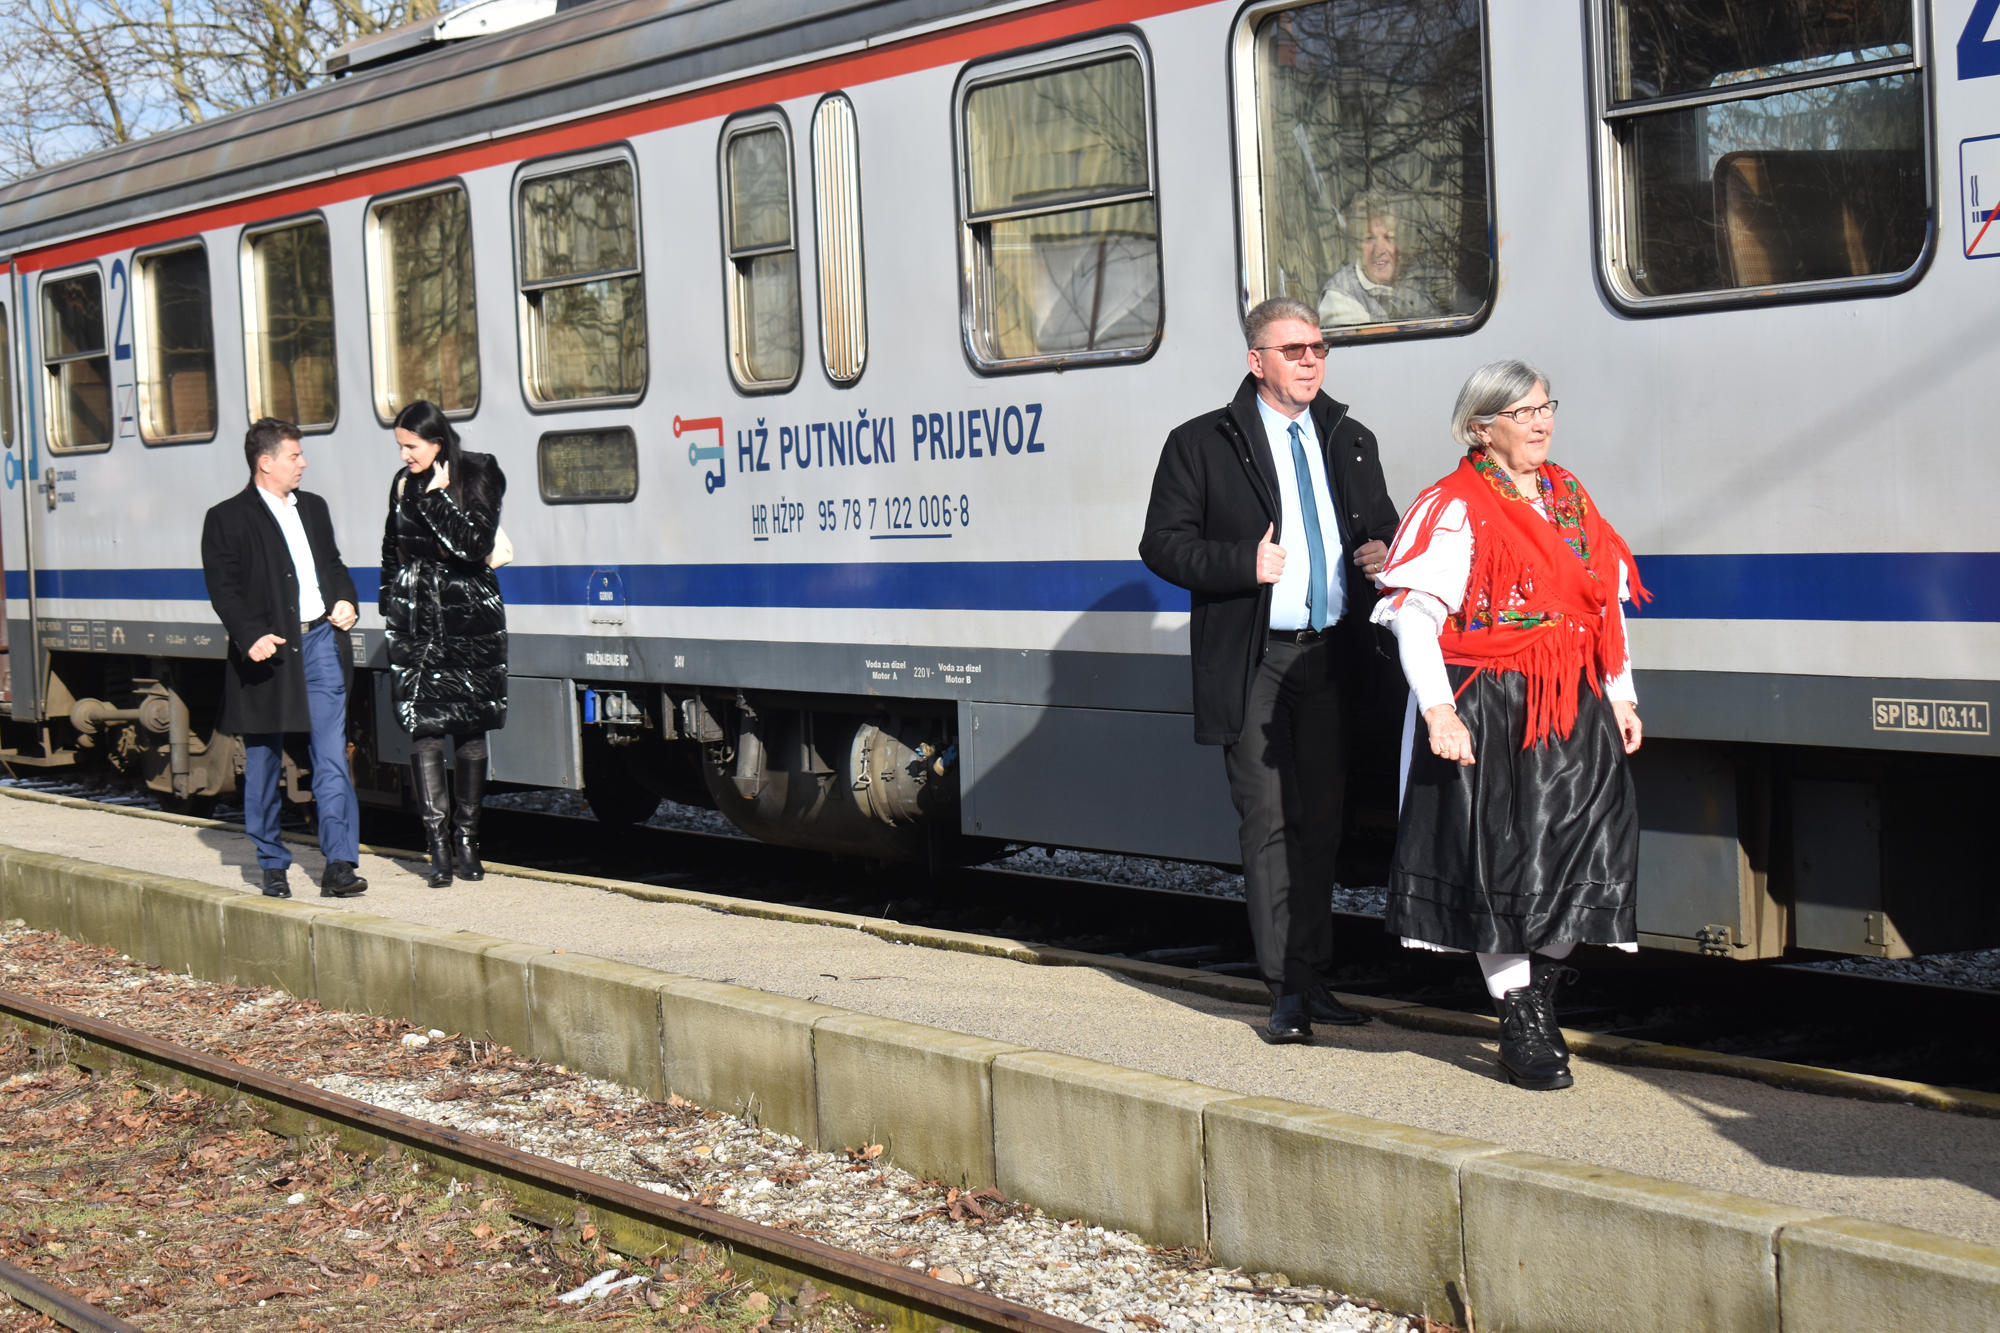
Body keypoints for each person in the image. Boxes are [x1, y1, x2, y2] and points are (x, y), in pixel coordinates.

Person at [1372, 359, 1647, 1091]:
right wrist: (1437, 708)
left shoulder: (1570, 496)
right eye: (1523, 412)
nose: (1541, 422)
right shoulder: (1455, 505)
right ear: (1480, 427)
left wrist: (1621, 693)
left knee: (1584, 845)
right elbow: (1415, 617)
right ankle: (1521, 1015)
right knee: (1496, 863)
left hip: (1570, 700)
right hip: (1486, 702)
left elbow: (1603, 605)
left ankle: (1536, 993)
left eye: (1545, 407)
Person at [1141, 296, 1401, 1044]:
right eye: (1295, 350)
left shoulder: (1349, 438)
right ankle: (1284, 988)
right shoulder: (1202, 443)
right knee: (1269, 822)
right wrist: (1241, 563)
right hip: (1255, 658)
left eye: (1319, 347)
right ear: (1257, 361)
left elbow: (1380, 519)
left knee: (1322, 822)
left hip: (1332, 656)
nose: (1312, 359)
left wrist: (1381, 549)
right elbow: (1161, 545)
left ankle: (1315, 977)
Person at [200, 419, 367, 900]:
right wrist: (248, 634)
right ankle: (272, 864)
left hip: (319, 644)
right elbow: (224, 588)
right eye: (294, 456)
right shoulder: (226, 518)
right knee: (264, 761)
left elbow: (332, 565)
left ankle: (340, 864)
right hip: (269, 652)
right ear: (265, 462)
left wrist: (345, 600)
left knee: (332, 757)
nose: (303, 463)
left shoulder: (313, 508)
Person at [380, 400, 508, 887]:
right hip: (416, 619)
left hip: (470, 618)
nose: (405, 455)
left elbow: (475, 545)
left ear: (436, 442)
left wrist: (435, 499)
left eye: (411, 446)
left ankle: (469, 842)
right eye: (401, 447)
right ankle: (437, 847)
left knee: (471, 731)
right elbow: (391, 547)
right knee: (425, 729)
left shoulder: (479, 471)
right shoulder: (401, 482)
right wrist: (387, 602)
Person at [1317, 194, 1445, 327]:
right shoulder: (1339, 297)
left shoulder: (1419, 277)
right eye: (1369, 238)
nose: (1379, 250)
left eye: (1389, 237)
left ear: (1399, 245)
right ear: (1358, 246)